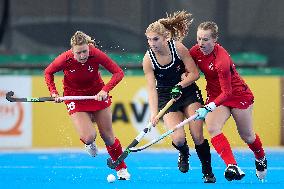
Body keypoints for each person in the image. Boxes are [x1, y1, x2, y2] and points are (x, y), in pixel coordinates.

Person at [44, 31, 130, 180]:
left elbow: (118, 73)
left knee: (108, 137)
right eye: (79, 53)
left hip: (97, 95)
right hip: (74, 97)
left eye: (85, 51)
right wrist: (54, 93)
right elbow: (48, 72)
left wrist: (105, 90)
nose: (83, 55)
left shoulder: (95, 54)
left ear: (88, 48)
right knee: (89, 137)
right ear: (72, 51)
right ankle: (89, 144)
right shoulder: (65, 59)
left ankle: (121, 168)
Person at [142, 11, 216, 183]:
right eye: (149, 40)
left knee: (197, 135)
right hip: (166, 96)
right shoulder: (148, 60)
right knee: (178, 138)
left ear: (165, 37)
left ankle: (208, 172)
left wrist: (180, 85)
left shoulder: (178, 48)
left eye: (155, 39)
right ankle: (183, 153)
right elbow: (152, 88)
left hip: (187, 91)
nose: (152, 43)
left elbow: (195, 73)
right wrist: (154, 113)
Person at [189, 21, 267, 181]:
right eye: (198, 39)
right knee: (212, 128)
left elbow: (227, 92)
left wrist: (208, 106)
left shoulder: (221, 60)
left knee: (247, 136)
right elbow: (187, 68)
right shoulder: (195, 51)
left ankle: (260, 157)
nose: (201, 43)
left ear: (214, 40)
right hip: (216, 95)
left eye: (205, 40)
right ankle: (232, 165)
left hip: (237, 94)